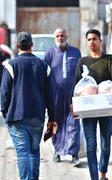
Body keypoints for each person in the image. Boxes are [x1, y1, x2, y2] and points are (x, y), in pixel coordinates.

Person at [69, 29, 112, 180]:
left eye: (94, 39)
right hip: (88, 110)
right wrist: (71, 104)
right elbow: (76, 85)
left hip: (106, 109)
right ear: (86, 42)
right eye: (89, 39)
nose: (92, 42)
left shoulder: (109, 60)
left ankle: (103, 173)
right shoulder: (83, 62)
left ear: (100, 41)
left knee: (105, 145)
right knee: (91, 146)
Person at [0, 32, 57, 180]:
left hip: (16, 116)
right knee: (34, 150)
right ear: (32, 45)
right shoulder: (43, 66)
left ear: (17, 46)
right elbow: (50, 95)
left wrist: (6, 113)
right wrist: (51, 117)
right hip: (37, 116)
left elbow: (4, 94)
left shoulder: (11, 66)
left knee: (23, 151)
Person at [44, 28, 82, 167]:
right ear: (55, 38)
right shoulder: (49, 54)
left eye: (62, 35)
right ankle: (57, 151)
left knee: (73, 123)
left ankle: (73, 154)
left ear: (67, 36)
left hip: (72, 94)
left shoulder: (75, 52)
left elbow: (81, 72)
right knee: (56, 121)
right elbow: (44, 74)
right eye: (58, 36)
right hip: (55, 95)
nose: (60, 38)